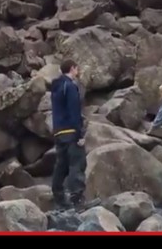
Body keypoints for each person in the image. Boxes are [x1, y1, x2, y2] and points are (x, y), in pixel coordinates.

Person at [51, 59, 99, 210]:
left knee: (61, 166)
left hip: (58, 131)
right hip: (71, 131)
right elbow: (74, 111)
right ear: (72, 69)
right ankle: (77, 200)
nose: (77, 72)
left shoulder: (56, 87)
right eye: (77, 69)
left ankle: (59, 199)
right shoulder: (70, 86)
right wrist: (79, 135)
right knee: (77, 164)